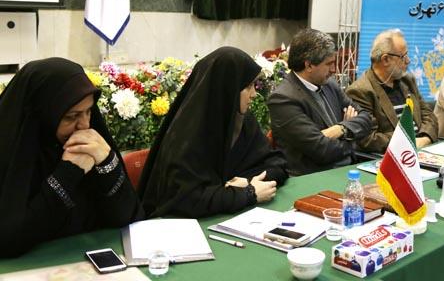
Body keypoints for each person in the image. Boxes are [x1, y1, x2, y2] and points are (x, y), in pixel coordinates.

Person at [0, 58, 143, 258]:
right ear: (43, 114)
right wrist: (68, 173)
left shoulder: (91, 146)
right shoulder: (11, 153)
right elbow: (8, 239)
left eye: (88, 112)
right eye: (71, 116)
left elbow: (128, 218)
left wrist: (107, 163)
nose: (84, 125)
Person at [138, 47, 287, 218]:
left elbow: (277, 164)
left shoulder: (242, 120)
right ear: (226, 88)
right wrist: (248, 194)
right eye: (247, 87)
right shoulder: (187, 133)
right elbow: (187, 199)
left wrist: (247, 182)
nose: (254, 94)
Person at [268, 29, 371, 176]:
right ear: (309, 65)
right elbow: (322, 150)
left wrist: (341, 129)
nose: (334, 70)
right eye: (329, 64)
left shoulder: (330, 84)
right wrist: (353, 138)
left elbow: (366, 118)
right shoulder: (283, 99)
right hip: (311, 177)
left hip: (347, 169)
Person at [346, 29, 438, 153]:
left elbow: (428, 115)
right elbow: (369, 139)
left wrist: (425, 138)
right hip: (393, 156)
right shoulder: (361, 91)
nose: (408, 61)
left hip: (422, 148)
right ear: (385, 59)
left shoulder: (407, 80)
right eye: (403, 56)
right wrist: (409, 141)